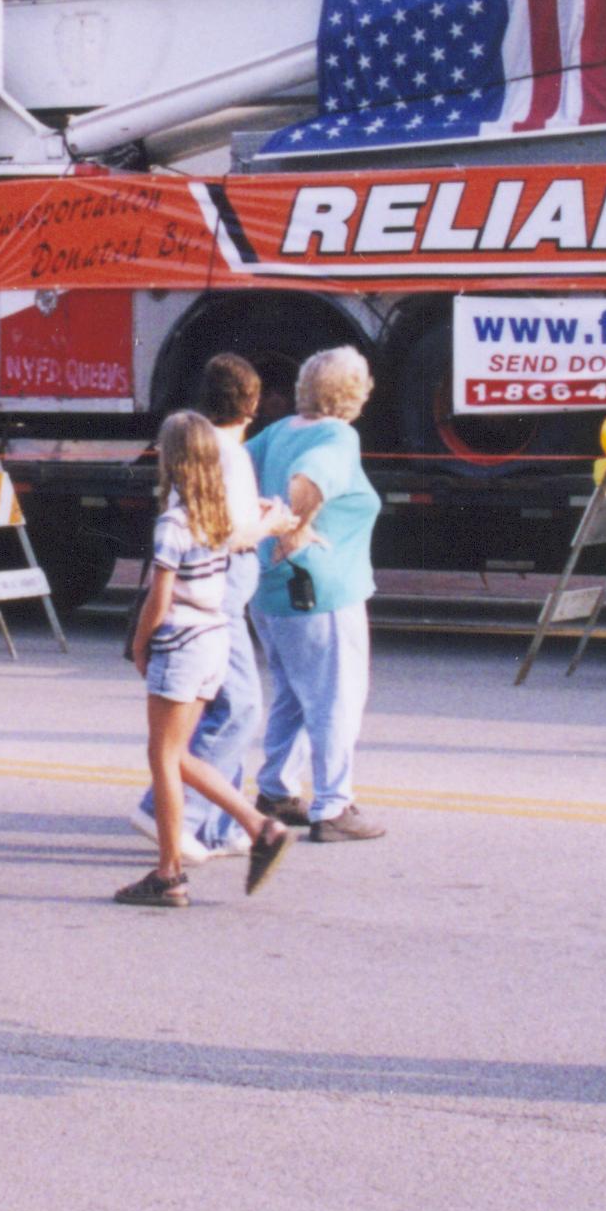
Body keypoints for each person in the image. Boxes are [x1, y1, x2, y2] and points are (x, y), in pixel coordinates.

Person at [118, 410, 300, 907]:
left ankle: (171, 871)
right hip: (215, 639)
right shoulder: (217, 516)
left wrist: (140, 642)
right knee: (179, 754)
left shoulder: (174, 522)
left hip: (180, 641)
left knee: (163, 756)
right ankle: (255, 825)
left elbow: (159, 597)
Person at [246, 345, 388, 842]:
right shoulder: (337, 436)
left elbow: (238, 471)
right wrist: (296, 524)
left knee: (293, 694)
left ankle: (277, 789)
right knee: (335, 698)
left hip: (272, 592)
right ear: (354, 392)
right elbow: (307, 481)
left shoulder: (280, 430)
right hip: (320, 590)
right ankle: (333, 806)